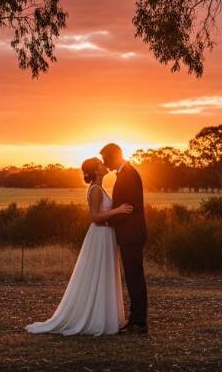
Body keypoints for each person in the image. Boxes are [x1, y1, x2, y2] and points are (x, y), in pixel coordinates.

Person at [25, 157, 133, 336]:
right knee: (97, 274)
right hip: (100, 235)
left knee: (103, 274)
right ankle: (94, 318)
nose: (105, 165)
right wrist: (118, 210)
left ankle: (103, 316)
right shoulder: (96, 190)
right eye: (101, 164)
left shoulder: (99, 188)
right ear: (96, 171)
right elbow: (94, 217)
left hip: (106, 235)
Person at [101, 142, 148, 334]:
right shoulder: (125, 173)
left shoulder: (129, 175)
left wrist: (108, 221)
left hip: (132, 234)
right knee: (132, 278)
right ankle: (136, 320)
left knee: (134, 278)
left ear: (114, 156)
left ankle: (139, 322)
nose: (105, 163)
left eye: (106, 159)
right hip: (129, 234)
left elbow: (130, 207)